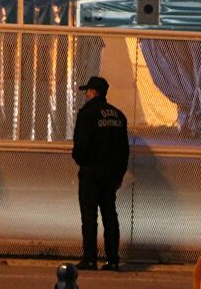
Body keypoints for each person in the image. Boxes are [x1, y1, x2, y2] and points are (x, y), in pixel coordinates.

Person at [72, 76, 129, 272]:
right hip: (110, 174)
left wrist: (80, 160)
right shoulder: (118, 116)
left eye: (87, 91)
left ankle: (90, 258)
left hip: (91, 172)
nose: (86, 94)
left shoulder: (87, 113)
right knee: (109, 214)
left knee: (89, 216)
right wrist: (119, 173)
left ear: (93, 92)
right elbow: (124, 149)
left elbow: (80, 145)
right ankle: (112, 259)